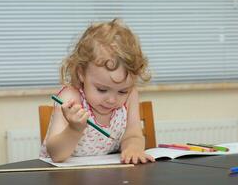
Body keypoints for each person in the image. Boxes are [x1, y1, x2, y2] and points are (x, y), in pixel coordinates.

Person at [40, 19, 155, 164]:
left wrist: (132, 148)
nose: (112, 100)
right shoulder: (70, 99)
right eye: (102, 89)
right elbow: (56, 154)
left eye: (122, 91)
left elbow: (133, 134)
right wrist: (74, 129)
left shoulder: (131, 95)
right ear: (82, 73)